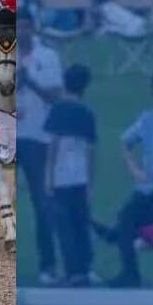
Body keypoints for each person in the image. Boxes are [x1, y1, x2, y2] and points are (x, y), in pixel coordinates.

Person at [101, 71, 153, 287]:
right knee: (125, 219)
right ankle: (130, 273)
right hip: (147, 187)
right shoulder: (146, 119)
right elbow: (125, 142)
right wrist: (134, 170)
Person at [15, 11, 65, 285]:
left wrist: (29, 81)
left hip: (37, 138)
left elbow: (56, 94)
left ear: (32, 28)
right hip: (9, 136)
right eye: (17, 28)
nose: (21, 33)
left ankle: (47, 267)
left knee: (42, 203)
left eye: (25, 28)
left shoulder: (48, 56)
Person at [44, 64, 97, 287]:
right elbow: (91, 151)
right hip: (80, 178)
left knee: (64, 228)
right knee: (80, 224)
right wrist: (90, 182)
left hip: (61, 178)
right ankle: (84, 269)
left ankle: (72, 271)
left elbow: (53, 147)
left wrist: (48, 177)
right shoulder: (87, 113)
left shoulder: (58, 110)